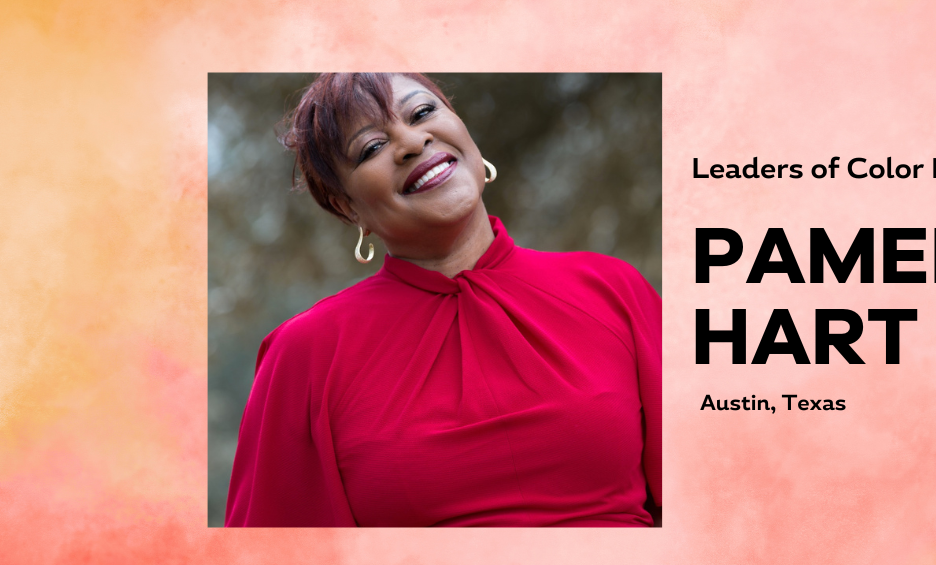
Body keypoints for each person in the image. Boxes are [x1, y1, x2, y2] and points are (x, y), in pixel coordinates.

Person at [224, 73, 661, 527]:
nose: (413, 142)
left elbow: (716, 503)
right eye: (372, 148)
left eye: (423, 113)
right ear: (347, 206)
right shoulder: (306, 354)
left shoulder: (611, 289)